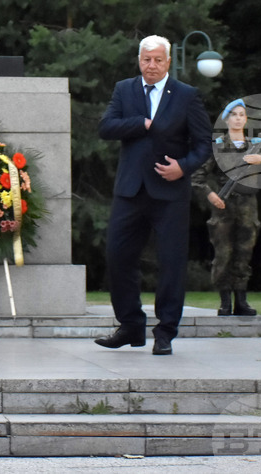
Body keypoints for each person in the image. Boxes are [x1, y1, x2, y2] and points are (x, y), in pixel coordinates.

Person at [96, 35, 212, 355]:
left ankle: (165, 331)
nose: (152, 65)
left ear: (168, 62)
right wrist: (140, 123)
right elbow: (106, 127)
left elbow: (204, 145)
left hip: (170, 192)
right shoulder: (125, 89)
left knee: (172, 263)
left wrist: (183, 167)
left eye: (158, 60)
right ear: (139, 60)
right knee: (118, 257)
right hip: (130, 189)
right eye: (146, 59)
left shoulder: (187, 96)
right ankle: (131, 324)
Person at [193, 99, 261, 317]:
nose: (237, 118)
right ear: (226, 119)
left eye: (241, 115)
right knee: (223, 254)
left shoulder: (256, 144)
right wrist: (211, 194)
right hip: (223, 206)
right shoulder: (217, 146)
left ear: (246, 119)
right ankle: (225, 301)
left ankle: (241, 300)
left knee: (244, 253)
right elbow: (197, 178)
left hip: (248, 206)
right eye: (233, 114)